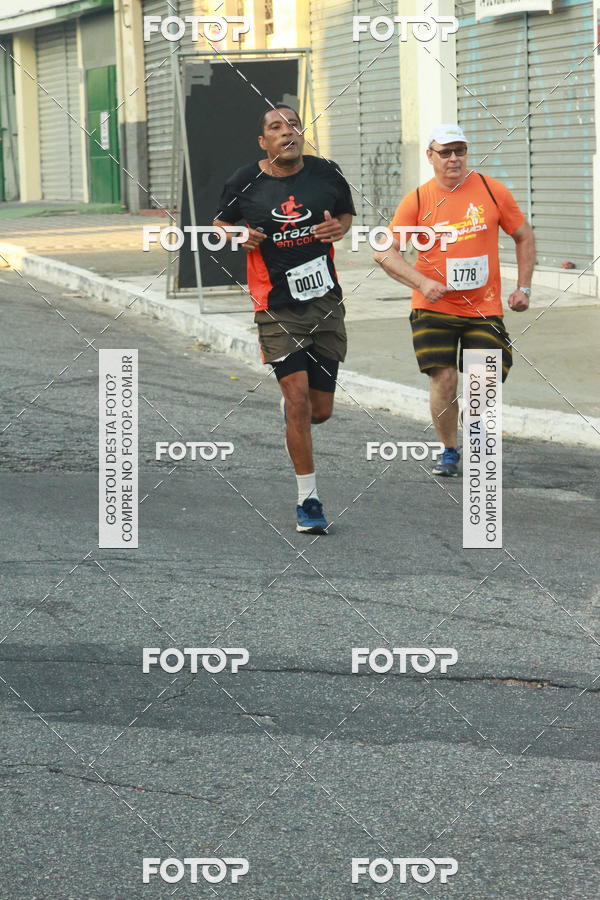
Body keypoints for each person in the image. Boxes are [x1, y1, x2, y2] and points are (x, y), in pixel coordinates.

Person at [214, 105, 355, 530]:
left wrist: (340, 229)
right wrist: (238, 233)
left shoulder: (326, 171)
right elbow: (219, 224)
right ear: (264, 142)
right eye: (276, 127)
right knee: (297, 403)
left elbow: (345, 213)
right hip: (275, 306)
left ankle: (297, 411)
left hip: (324, 301)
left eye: (293, 125)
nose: (286, 132)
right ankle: (308, 501)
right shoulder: (245, 180)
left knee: (320, 411)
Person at [374, 123, 536, 476]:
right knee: (444, 379)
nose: (453, 159)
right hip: (432, 307)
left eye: (459, 150)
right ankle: (449, 450)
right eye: (445, 152)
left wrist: (523, 288)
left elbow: (524, 236)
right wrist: (421, 282)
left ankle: (472, 420)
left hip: (484, 307)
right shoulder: (417, 200)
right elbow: (384, 253)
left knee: (484, 381)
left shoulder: (493, 192)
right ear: (430, 156)